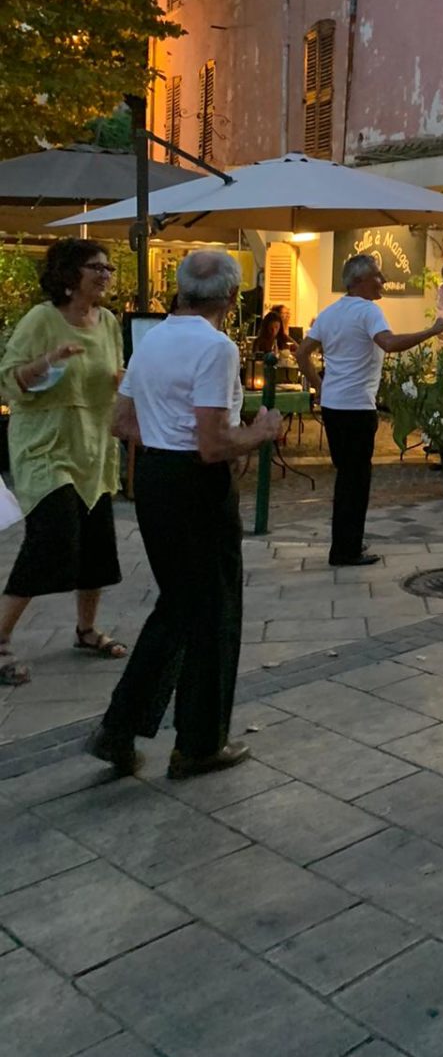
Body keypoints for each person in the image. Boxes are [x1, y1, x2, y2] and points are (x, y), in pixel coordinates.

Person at [87, 251, 282, 778]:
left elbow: (120, 421)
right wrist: (262, 432)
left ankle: (121, 728)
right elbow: (212, 444)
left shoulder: (153, 340)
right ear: (232, 297)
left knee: (179, 604)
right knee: (213, 610)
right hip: (195, 486)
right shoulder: (216, 348)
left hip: (155, 477)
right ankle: (197, 742)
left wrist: (164, 436)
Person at [0, 240, 127, 686]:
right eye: (96, 267)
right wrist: (48, 361)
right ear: (70, 274)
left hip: (93, 445)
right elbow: (8, 379)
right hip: (46, 444)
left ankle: (86, 631)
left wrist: (126, 381)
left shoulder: (109, 322)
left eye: (108, 268)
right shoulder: (42, 319)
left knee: (96, 541)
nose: (106, 274)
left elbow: (113, 375)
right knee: (52, 538)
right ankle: (0, 638)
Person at [297, 255, 443, 567]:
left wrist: (319, 385)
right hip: (356, 407)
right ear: (359, 281)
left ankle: (346, 542)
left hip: (333, 406)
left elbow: (302, 353)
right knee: (356, 481)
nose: (383, 282)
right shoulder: (368, 311)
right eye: (378, 276)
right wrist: (432, 330)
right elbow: (389, 344)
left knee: (346, 477)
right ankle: (346, 550)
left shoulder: (329, 312)